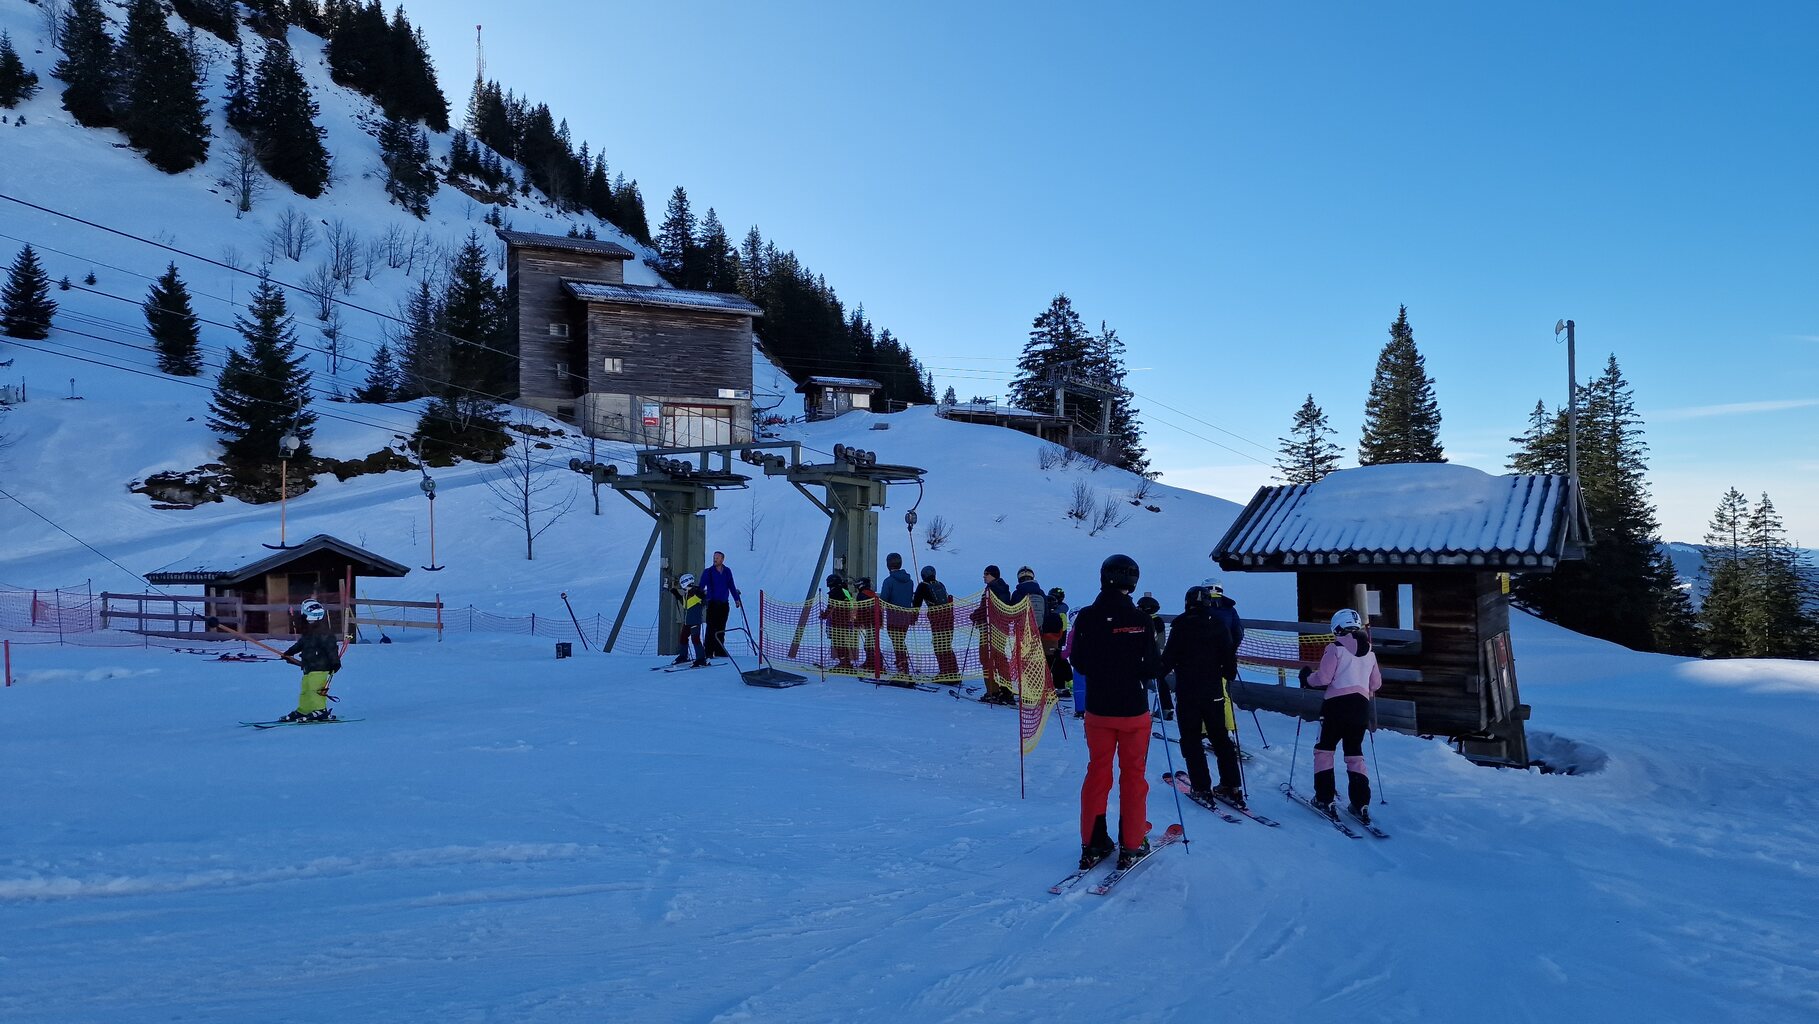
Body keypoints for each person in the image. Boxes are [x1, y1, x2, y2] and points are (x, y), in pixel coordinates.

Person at [1072, 553, 1162, 871]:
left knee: (1098, 773)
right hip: (1133, 711)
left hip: (1098, 709)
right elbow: (1152, 667)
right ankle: (1132, 843)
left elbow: (1078, 661)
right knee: (1133, 776)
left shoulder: (1085, 617)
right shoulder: (1141, 620)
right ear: (1132, 582)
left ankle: (1094, 841)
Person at [1161, 585, 1245, 807]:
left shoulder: (1180, 625)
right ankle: (1232, 786)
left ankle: (1201, 787)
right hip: (1214, 691)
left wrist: (1154, 671)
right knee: (1220, 738)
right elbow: (1229, 663)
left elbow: (1168, 659)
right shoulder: (1218, 625)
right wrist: (1224, 673)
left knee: (1191, 739)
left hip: (1188, 691)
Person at [1299, 608, 1383, 822]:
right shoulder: (1370, 651)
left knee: (1324, 751)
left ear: (1338, 628)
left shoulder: (1334, 649)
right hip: (1360, 708)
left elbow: (1324, 678)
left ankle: (1324, 798)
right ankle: (1360, 802)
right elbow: (1376, 684)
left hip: (1335, 707)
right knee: (1354, 755)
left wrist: (1307, 678)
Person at [279, 599, 341, 722]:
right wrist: (289, 653)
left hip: (321, 667)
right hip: (309, 667)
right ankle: (304, 710)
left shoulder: (324, 633)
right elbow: (301, 644)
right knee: (306, 689)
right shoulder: (309, 632)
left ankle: (320, 710)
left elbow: (331, 648)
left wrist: (335, 662)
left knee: (315, 690)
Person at [970, 565, 1016, 704]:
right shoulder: (1004, 589)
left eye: (986, 574)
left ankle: (992, 692)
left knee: (986, 659)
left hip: (989, 628)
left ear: (993, 575)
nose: (984, 576)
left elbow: (986, 608)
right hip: (1001, 628)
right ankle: (1006, 691)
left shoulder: (991, 589)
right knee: (1000, 659)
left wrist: (975, 615)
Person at [913, 565, 959, 682]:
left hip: (936, 618)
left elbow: (916, 603)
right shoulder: (940, 584)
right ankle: (954, 673)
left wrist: (913, 618)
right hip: (948, 617)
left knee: (939, 645)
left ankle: (944, 673)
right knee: (947, 645)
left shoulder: (923, 586)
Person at [878, 553, 916, 676]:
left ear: (888, 565)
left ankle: (902, 667)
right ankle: (902, 663)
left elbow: (884, 599)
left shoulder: (889, 581)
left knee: (897, 642)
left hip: (894, 618)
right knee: (900, 641)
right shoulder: (909, 581)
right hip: (906, 616)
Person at [699, 551, 742, 659]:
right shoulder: (708, 572)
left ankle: (719, 650)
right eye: (714, 557)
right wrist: (701, 595)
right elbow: (701, 587)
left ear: (722, 559)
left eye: (717, 558)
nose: (715, 559)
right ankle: (708, 651)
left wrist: (736, 599)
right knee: (711, 628)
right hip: (713, 604)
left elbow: (731, 585)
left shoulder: (727, 571)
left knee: (721, 628)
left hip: (724, 604)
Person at [1137, 592, 1173, 720]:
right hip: (1159, 656)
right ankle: (1167, 708)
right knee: (1160, 681)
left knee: (1142, 683)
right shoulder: (1158, 621)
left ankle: (1142, 709)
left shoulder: (1146, 621)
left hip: (1147, 657)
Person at [670, 573, 708, 667]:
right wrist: (677, 594)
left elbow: (703, 598)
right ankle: (683, 656)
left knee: (695, 639)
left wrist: (702, 594)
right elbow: (686, 604)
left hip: (695, 621)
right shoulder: (688, 593)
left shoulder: (696, 592)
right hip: (687, 621)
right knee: (683, 638)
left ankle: (701, 659)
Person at [822, 573, 859, 669]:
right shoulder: (846, 591)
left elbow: (830, 607)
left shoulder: (834, 593)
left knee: (838, 642)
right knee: (843, 642)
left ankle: (844, 662)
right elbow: (851, 603)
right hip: (847, 621)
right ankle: (846, 661)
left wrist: (824, 615)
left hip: (837, 622)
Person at [1042, 585, 1071, 697]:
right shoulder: (1060, 615)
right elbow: (1062, 630)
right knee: (1058, 665)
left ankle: (1048, 687)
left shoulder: (1045, 616)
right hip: (1057, 644)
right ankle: (1061, 687)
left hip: (1045, 645)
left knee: (1047, 667)